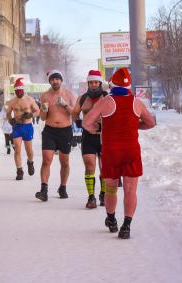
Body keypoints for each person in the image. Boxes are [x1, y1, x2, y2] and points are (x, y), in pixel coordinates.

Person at [83, 68, 155, 239]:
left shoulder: (105, 101)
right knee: (130, 190)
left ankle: (112, 219)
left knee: (111, 189)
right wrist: (135, 125)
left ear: (112, 84)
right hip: (131, 150)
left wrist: (97, 129)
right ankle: (127, 226)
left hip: (111, 151)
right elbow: (151, 123)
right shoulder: (137, 102)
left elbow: (86, 122)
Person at [35, 70, 76, 201]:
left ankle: (62, 187)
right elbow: (42, 118)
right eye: (53, 79)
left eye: (57, 79)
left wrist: (65, 105)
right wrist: (44, 110)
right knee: (46, 159)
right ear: (50, 81)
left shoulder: (69, 95)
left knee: (64, 161)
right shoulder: (45, 96)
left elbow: (75, 114)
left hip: (65, 130)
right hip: (50, 131)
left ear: (61, 80)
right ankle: (44, 189)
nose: (55, 81)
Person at [72, 70, 109, 209]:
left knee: (104, 169)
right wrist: (77, 121)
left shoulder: (107, 97)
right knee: (89, 167)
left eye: (96, 82)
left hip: (103, 137)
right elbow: (74, 113)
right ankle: (91, 197)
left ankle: (103, 194)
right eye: (91, 82)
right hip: (88, 137)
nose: (93, 84)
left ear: (100, 83)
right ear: (88, 83)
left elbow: (113, 114)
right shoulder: (82, 98)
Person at [6, 78, 40, 180]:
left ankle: (30, 162)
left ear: (23, 90)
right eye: (17, 91)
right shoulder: (12, 101)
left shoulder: (29, 99)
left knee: (28, 149)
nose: (19, 93)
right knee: (17, 149)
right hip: (17, 126)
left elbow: (38, 111)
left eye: (20, 91)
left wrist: (30, 114)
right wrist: (10, 120)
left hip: (27, 127)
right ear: (15, 91)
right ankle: (19, 170)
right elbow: (8, 113)